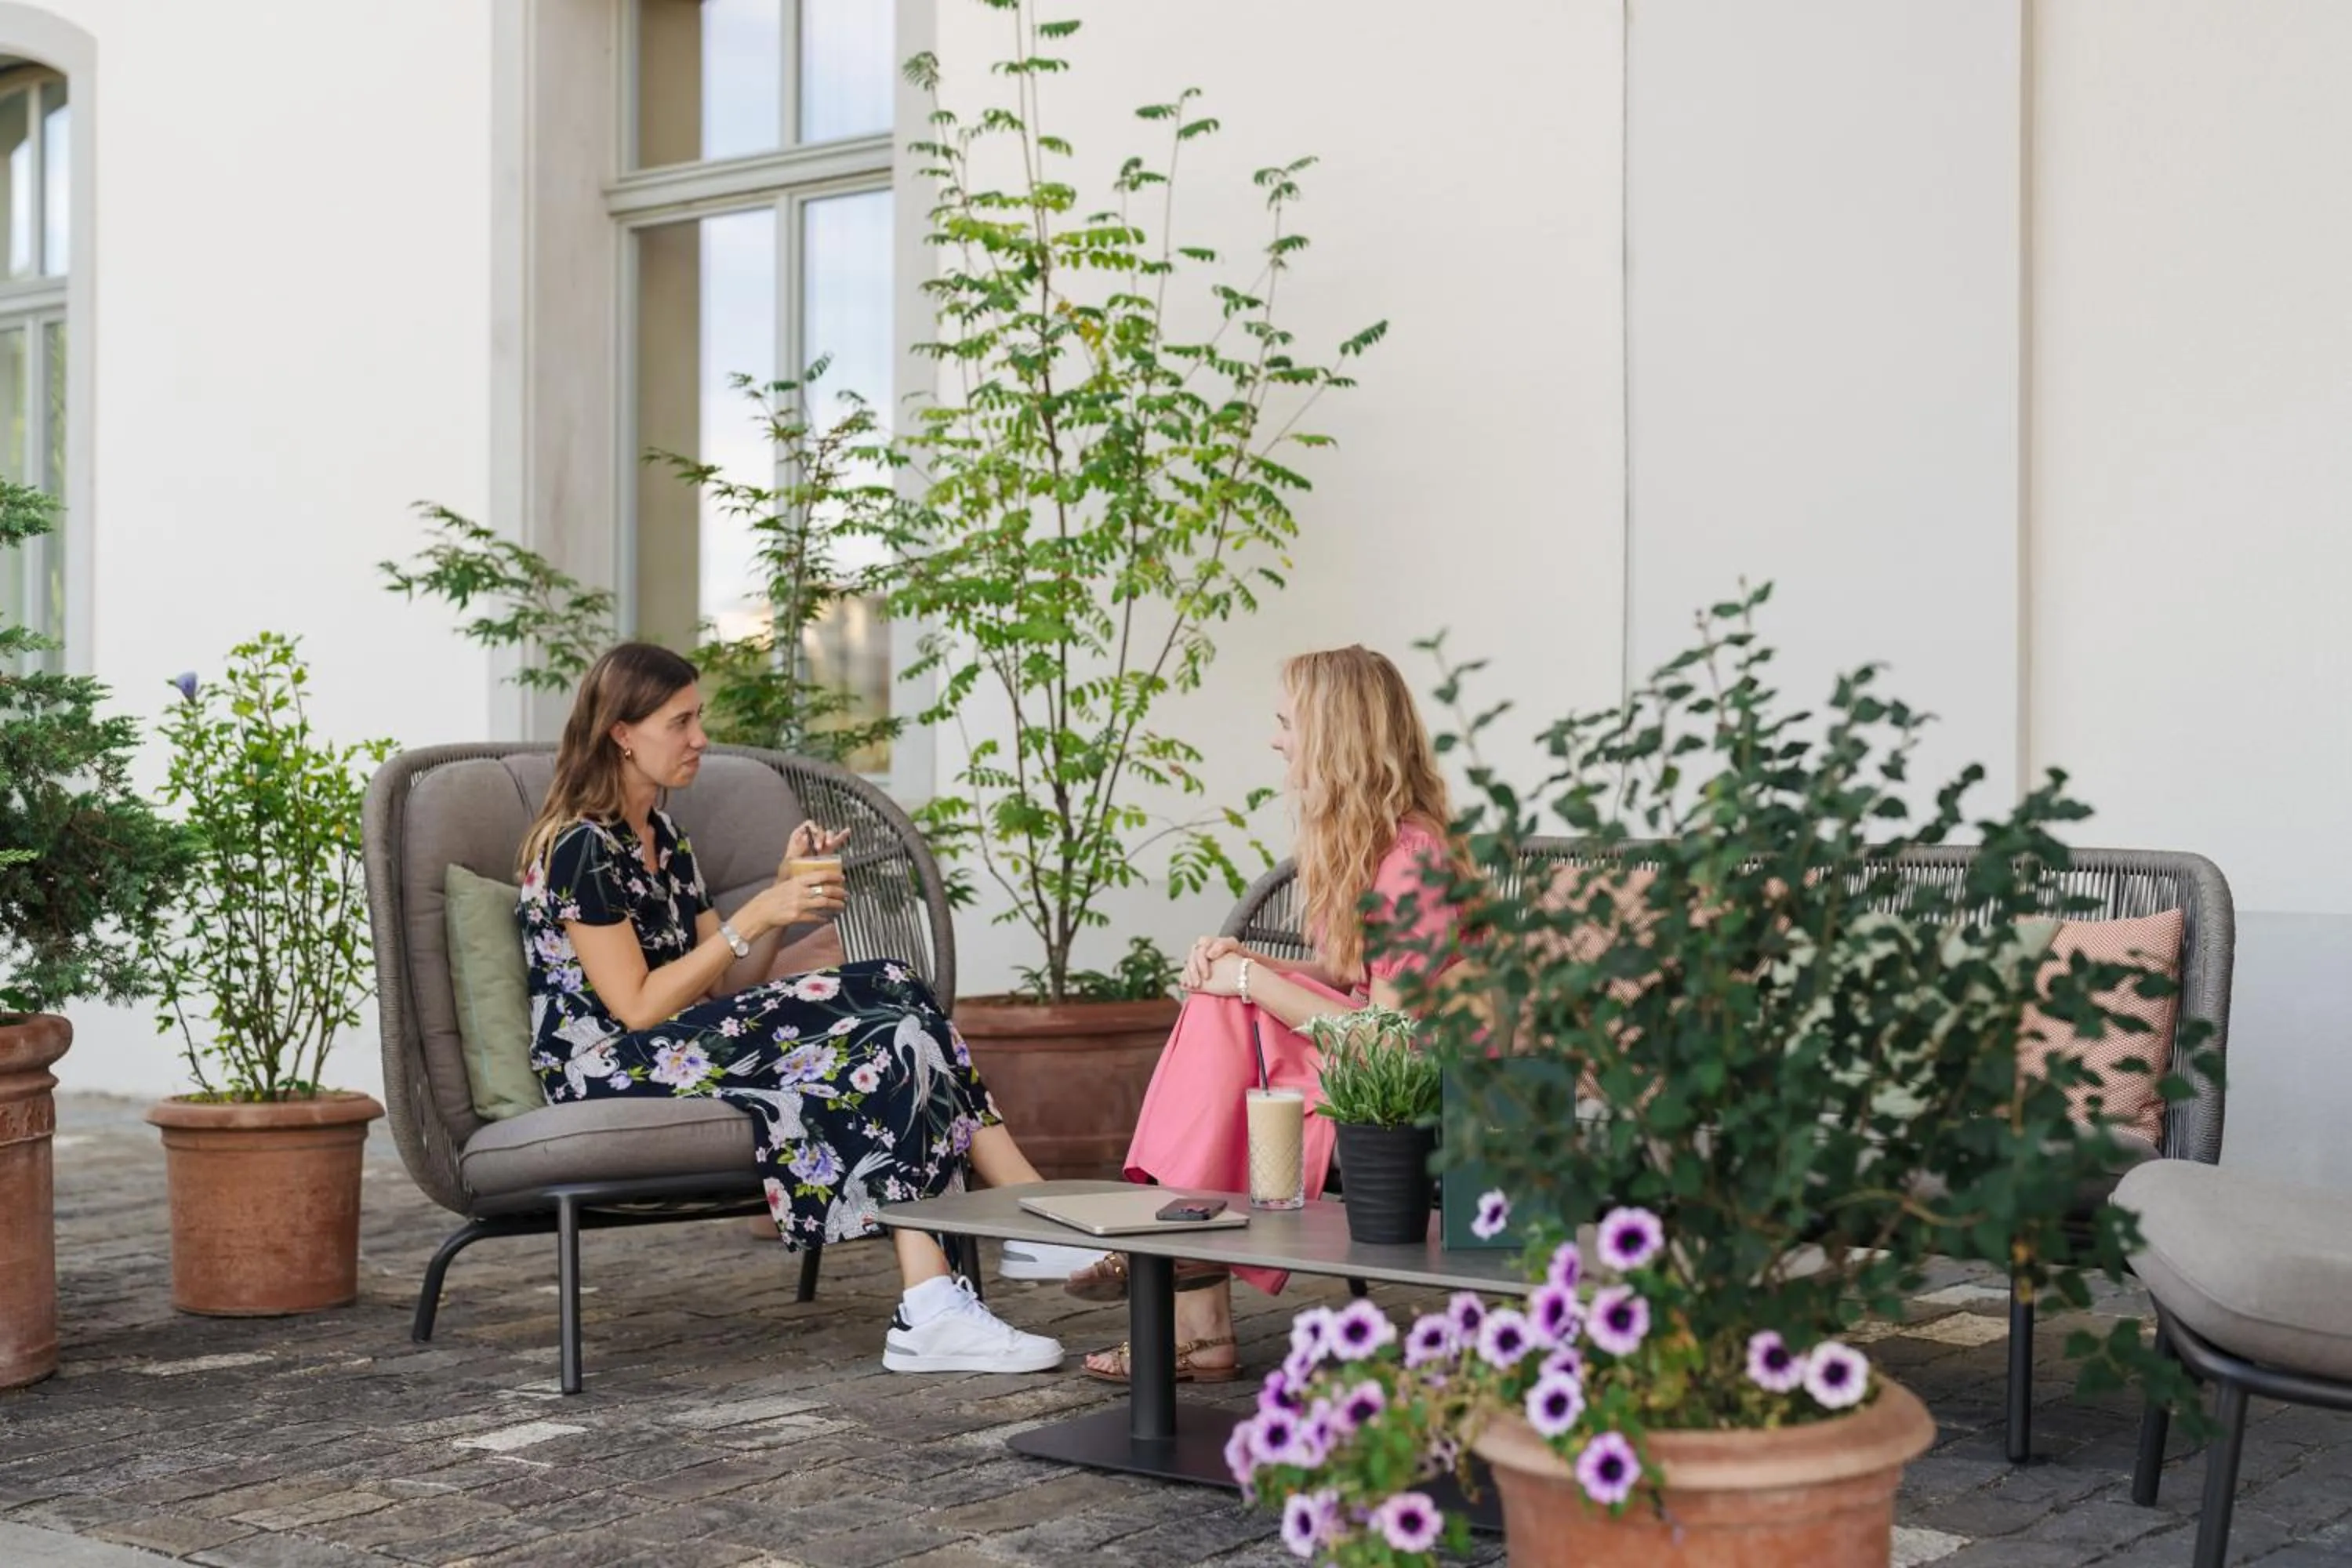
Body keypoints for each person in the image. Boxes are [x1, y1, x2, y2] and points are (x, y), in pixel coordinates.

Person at [517, 641, 1063, 1375]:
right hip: (605, 1065)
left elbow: (724, 992)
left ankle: (958, 1283)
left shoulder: (666, 840)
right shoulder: (577, 849)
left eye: (698, 719)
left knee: (895, 1008)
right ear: (622, 732)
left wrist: (776, 902)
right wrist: (757, 914)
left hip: (678, 1041)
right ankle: (1022, 1227)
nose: (699, 739)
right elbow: (638, 1007)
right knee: (885, 1003)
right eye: (680, 723)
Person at [1071, 645, 1469, 1381]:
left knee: (1227, 1012)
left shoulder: (1413, 857)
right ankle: (1181, 1276)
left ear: (1334, 735)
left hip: (1422, 1075)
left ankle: (1179, 1276)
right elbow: (1355, 974)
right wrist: (1255, 965)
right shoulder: (1368, 839)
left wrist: (1249, 978)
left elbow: (1391, 1035)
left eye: (1287, 722)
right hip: (1367, 1045)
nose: (1276, 739)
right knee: (1221, 1009)